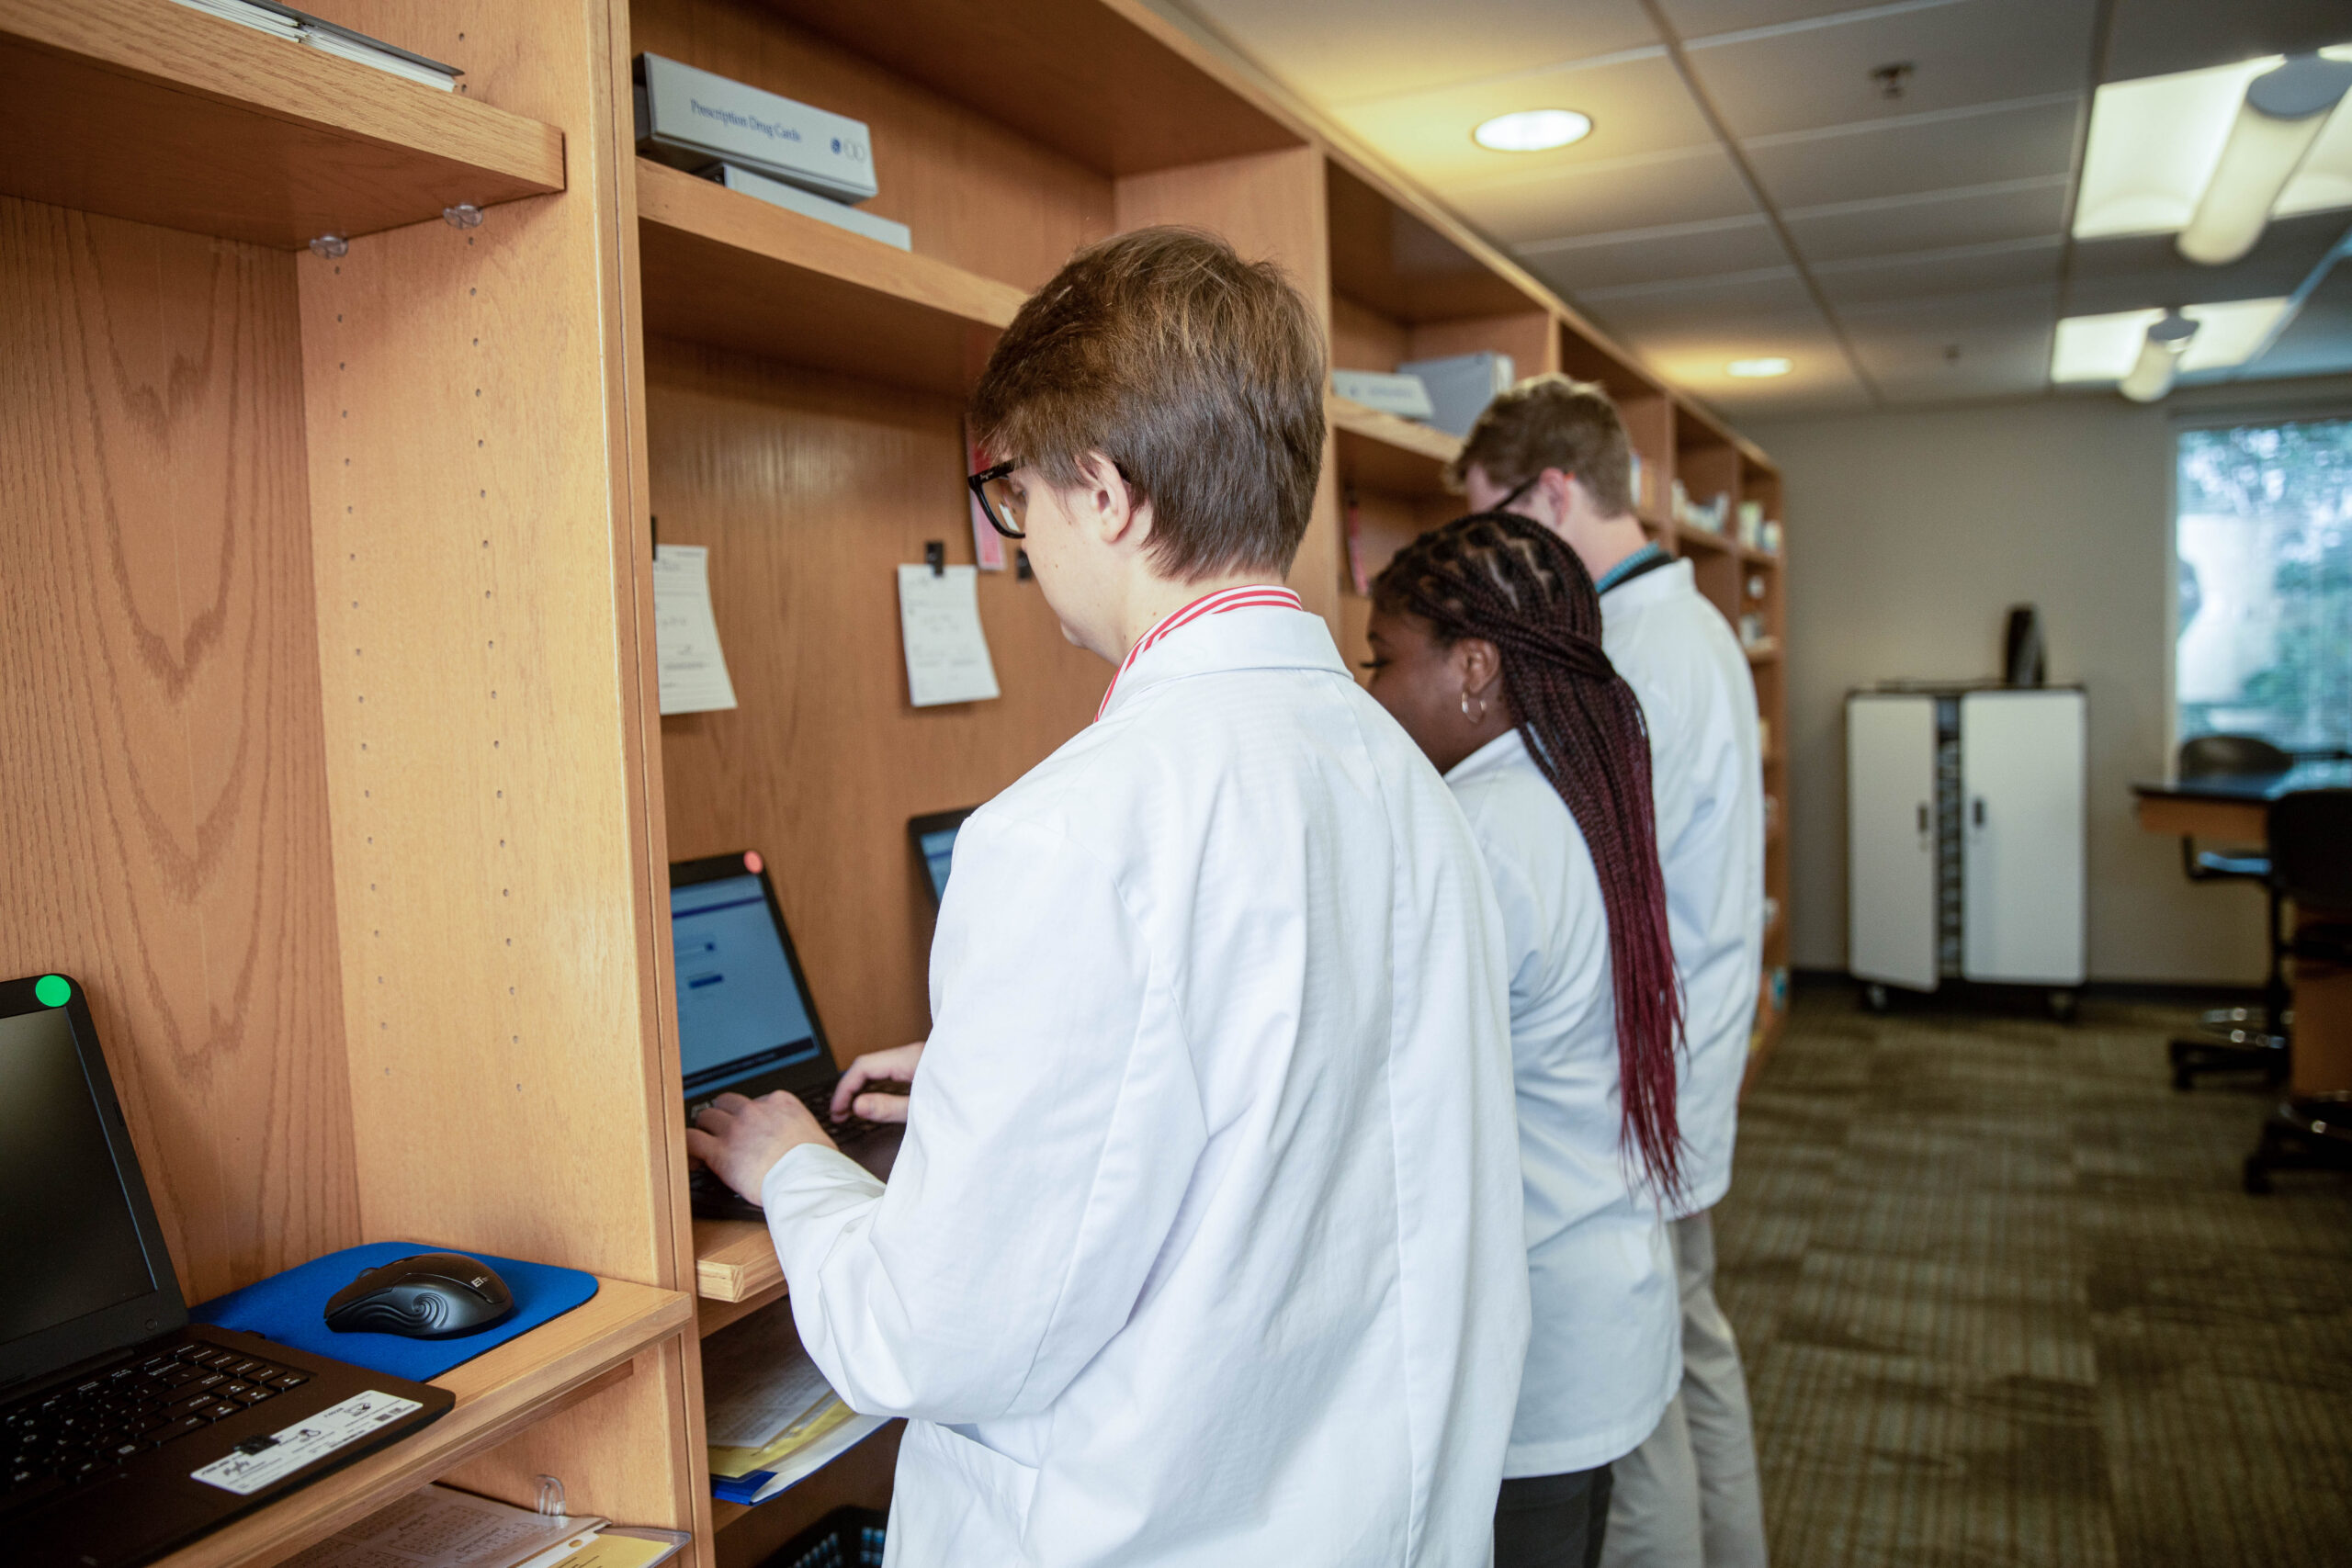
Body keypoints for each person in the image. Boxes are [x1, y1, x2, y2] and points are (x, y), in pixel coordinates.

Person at [687, 227, 1530, 1566]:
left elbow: (923, 1334)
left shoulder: (1071, 830)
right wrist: (991, 1077)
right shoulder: (1402, 770)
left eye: (1015, 495)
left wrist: (792, 1168)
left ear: (1109, 492)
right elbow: (1298, 1089)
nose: (1017, 545)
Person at [1455, 377, 1768, 1568]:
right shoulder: (1685, 626)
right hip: (1674, 1061)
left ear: (1552, 490)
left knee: (1636, 1416)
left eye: (1502, 524)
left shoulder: (1631, 651)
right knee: (1686, 1361)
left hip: (1644, 1083)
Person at [1363, 513, 1687, 1568]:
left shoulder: (1483, 833)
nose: (1371, 693)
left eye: (1381, 661)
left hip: (1536, 1341)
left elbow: (1377, 1080)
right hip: (1601, 1298)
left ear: (1471, 667)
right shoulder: (1571, 788)